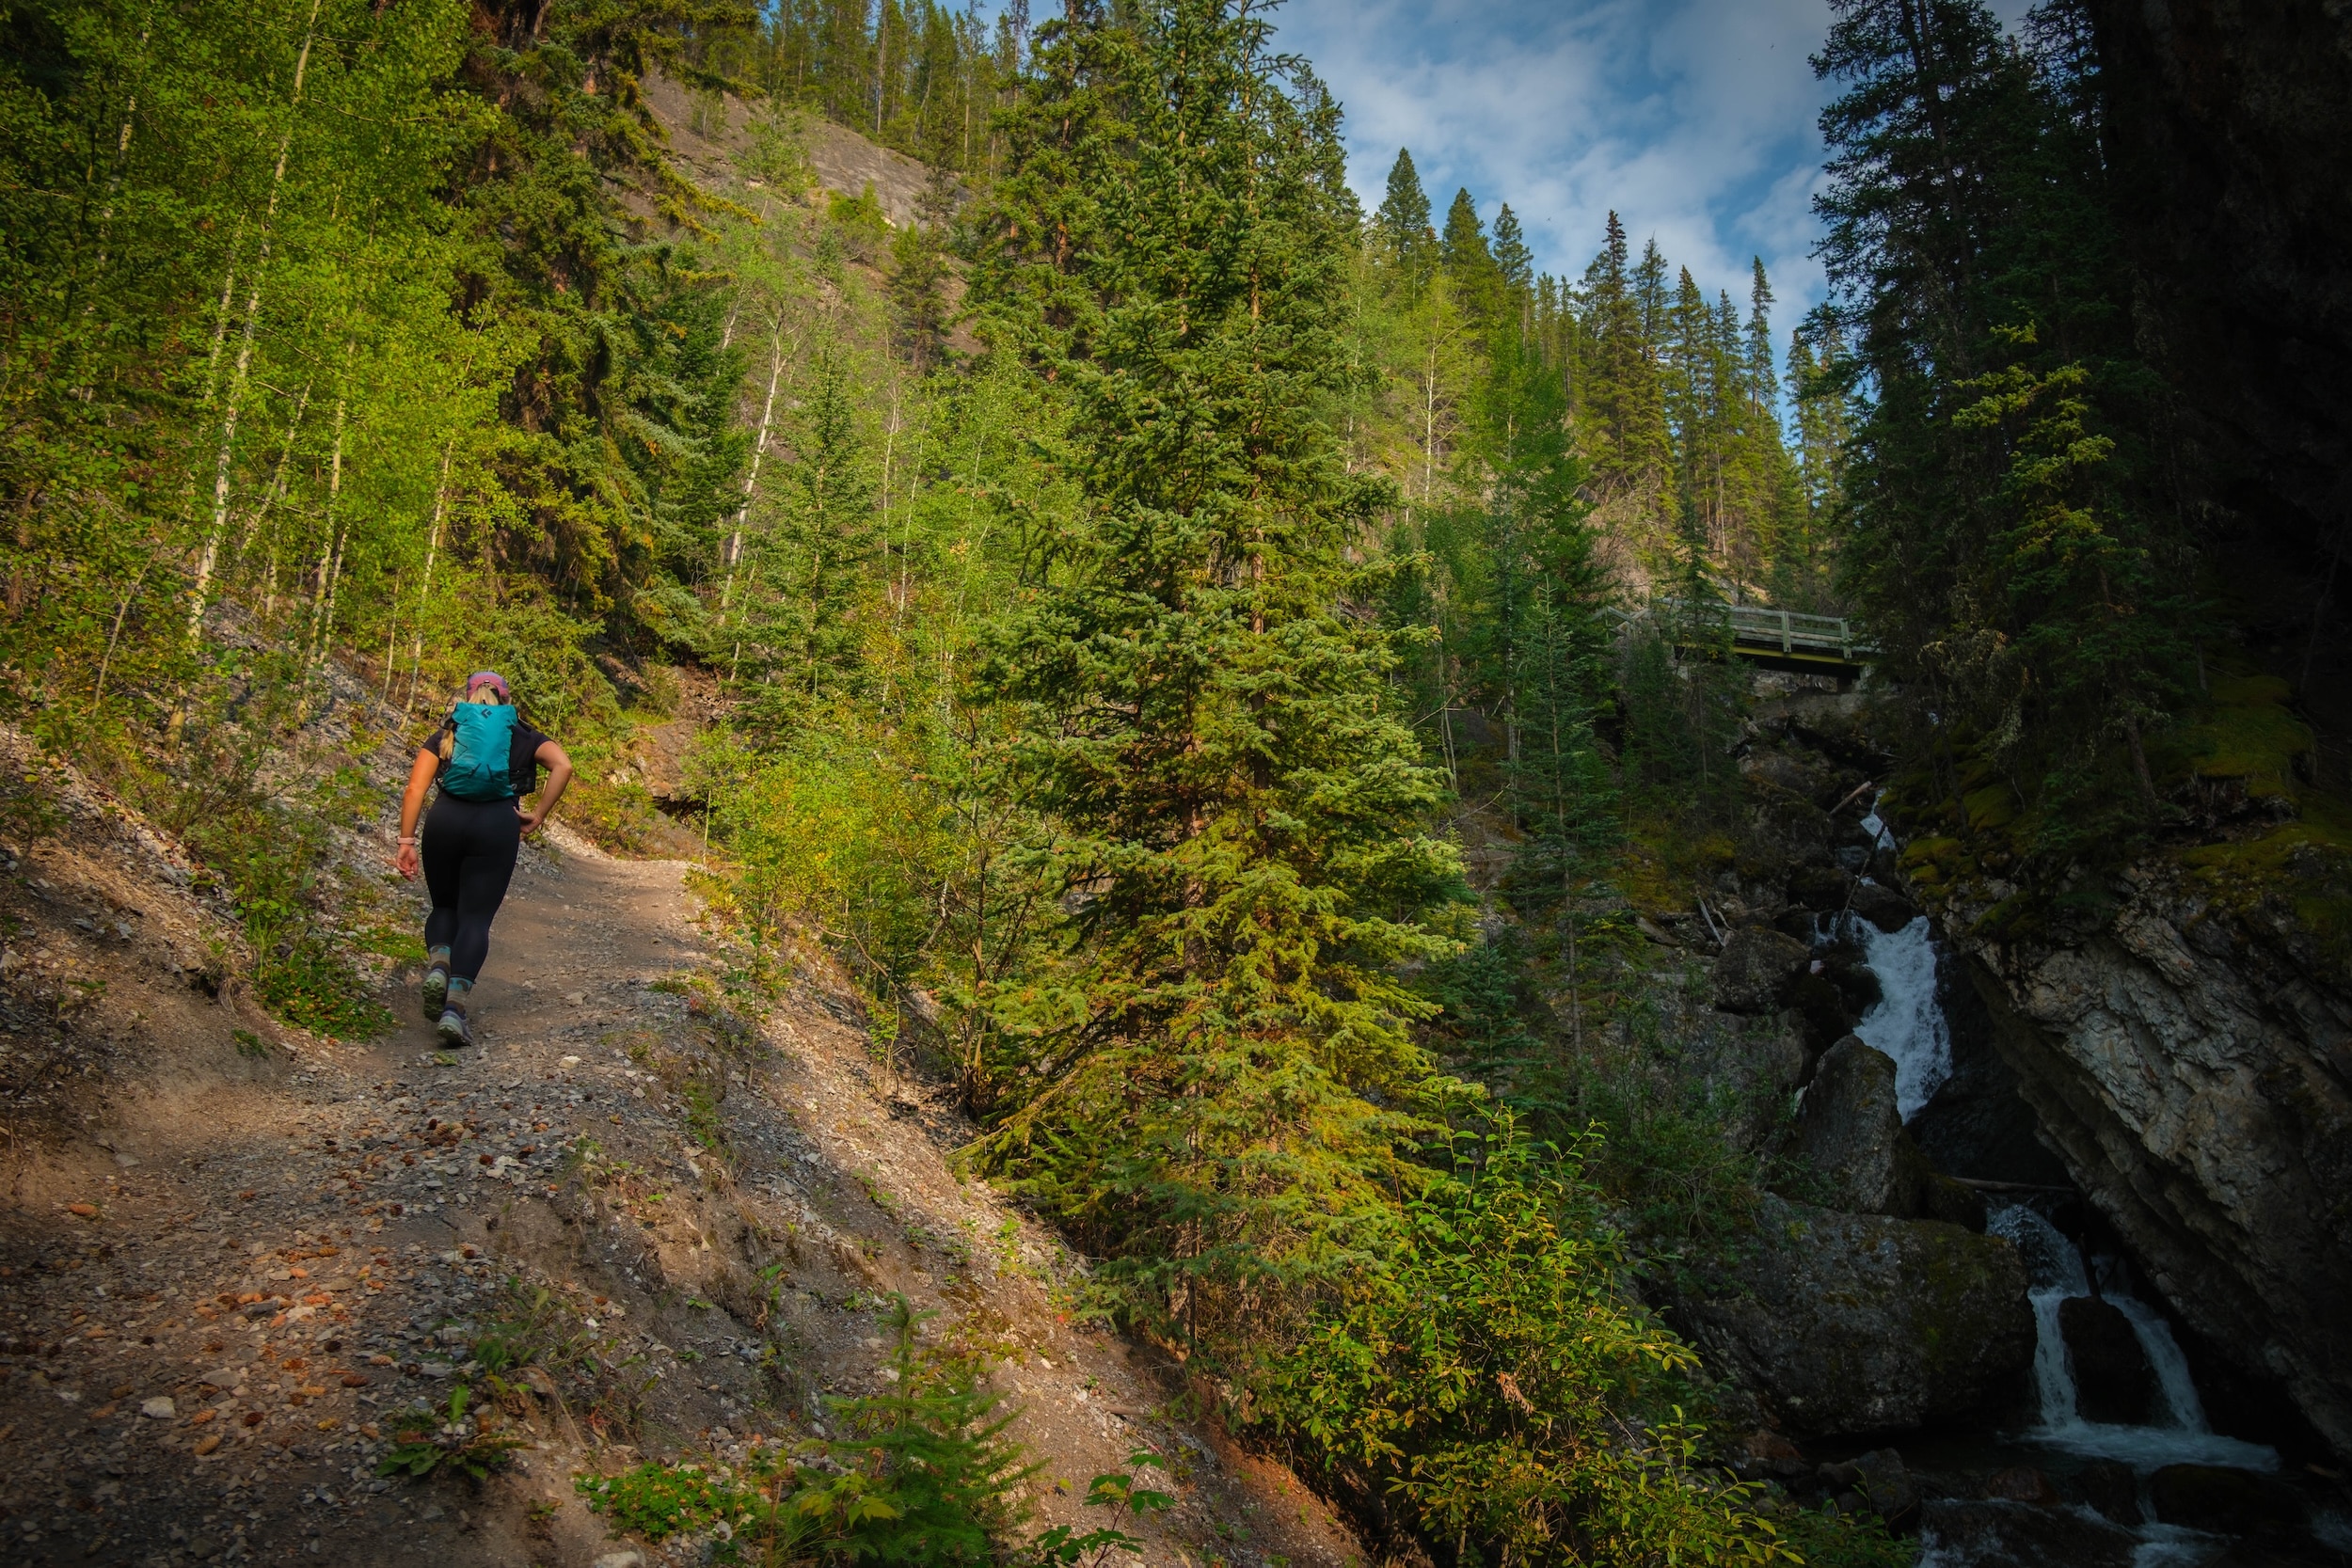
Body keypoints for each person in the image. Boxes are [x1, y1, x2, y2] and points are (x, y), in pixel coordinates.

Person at [392, 672, 573, 1045]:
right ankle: (454, 1010)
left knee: (444, 906)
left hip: (445, 820)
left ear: (468, 696)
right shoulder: (523, 734)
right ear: (506, 700)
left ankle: (439, 963)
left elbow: (415, 788)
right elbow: (564, 766)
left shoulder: (449, 731)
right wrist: (538, 815)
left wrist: (406, 841)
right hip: (496, 824)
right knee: (475, 918)